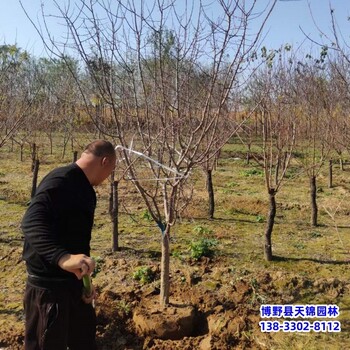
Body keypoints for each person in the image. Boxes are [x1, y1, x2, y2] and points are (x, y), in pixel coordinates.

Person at [22, 140, 116, 350]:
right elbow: (31, 222)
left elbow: (76, 240)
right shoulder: (61, 180)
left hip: (72, 287)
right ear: (105, 161)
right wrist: (62, 258)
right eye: (111, 170)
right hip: (48, 291)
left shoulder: (84, 188)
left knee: (84, 342)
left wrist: (85, 282)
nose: (108, 177)